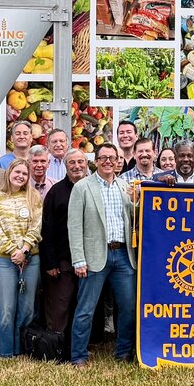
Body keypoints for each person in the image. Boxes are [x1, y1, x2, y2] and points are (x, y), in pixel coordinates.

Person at [68, 145, 139, 366]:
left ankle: (123, 352)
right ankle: (78, 355)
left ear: (118, 161)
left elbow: (134, 219)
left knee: (128, 308)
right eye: (103, 158)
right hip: (94, 256)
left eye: (112, 158)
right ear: (96, 161)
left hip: (123, 255)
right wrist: (78, 259)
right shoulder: (82, 187)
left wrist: (136, 202)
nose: (108, 161)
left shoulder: (125, 186)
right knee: (86, 310)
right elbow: (74, 226)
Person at [0, 159, 43, 357]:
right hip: (2, 260)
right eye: (17, 172)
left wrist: (24, 250)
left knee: (27, 308)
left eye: (24, 174)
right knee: (6, 308)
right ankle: (5, 351)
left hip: (30, 259)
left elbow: (36, 227)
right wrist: (13, 251)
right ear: (9, 172)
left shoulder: (33, 196)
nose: (20, 176)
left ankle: (22, 349)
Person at [40, 150, 86, 348]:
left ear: (86, 164)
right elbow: (47, 228)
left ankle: (79, 345)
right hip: (63, 259)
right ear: (65, 166)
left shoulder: (92, 188)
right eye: (72, 163)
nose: (77, 166)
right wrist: (50, 262)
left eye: (80, 162)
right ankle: (55, 345)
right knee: (60, 304)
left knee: (82, 305)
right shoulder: (56, 192)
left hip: (90, 259)